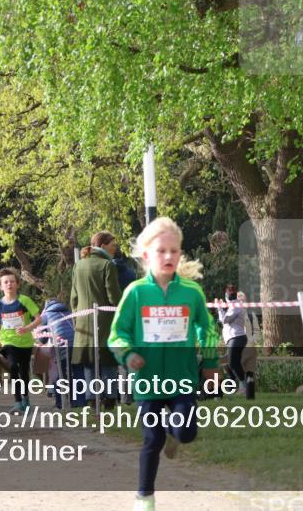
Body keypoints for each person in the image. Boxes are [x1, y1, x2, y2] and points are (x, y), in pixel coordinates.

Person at [108, 217, 220, 511]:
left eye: (175, 250)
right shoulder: (135, 293)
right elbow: (117, 334)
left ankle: (175, 434)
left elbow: (206, 329)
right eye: (162, 251)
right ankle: (144, 497)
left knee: (186, 432)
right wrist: (128, 354)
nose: (169, 256)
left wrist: (210, 362)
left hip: (182, 379)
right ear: (146, 256)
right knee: (151, 438)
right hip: (147, 381)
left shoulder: (192, 292)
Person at [71, 231, 122, 410]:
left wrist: (77, 320)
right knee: (108, 362)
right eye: (113, 245)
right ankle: (109, 399)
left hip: (83, 323)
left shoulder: (78, 265)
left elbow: (74, 298)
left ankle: (92, 399)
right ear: (103, 246)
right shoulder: (108, 265)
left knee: (89, 363)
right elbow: (114, 297)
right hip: (105, 322)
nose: (115, 248)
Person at [0, 267, 41, 414]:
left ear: (18, 284)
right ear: (1, 286)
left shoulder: (24, 301)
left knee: (24, 372)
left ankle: (26, 399)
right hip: (8, 341)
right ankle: (18, 402)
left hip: (25, 342)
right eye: (6, 282)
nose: (9, 284)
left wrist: (27, 328)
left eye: (12, 281)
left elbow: (39, 318)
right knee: (13, 366)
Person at [38, 293, 79, 409]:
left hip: (60, 346)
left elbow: (42, 338)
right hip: (75, 344)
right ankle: (74, 402)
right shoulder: (68, 312)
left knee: (58, 373)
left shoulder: (46, 315)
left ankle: (60, 403)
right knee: (72, 373)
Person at [216, 283, 247, 393]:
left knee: (233, 363)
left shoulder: (236, 306)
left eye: (230, 292)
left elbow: (224, 320)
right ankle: (231, 387)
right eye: (229, 292)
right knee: (229, 364)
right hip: (232, 338)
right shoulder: (231, 306)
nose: (229, 295)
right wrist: (223, 308)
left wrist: (219, 308)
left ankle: (244, 386)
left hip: (237, 337)